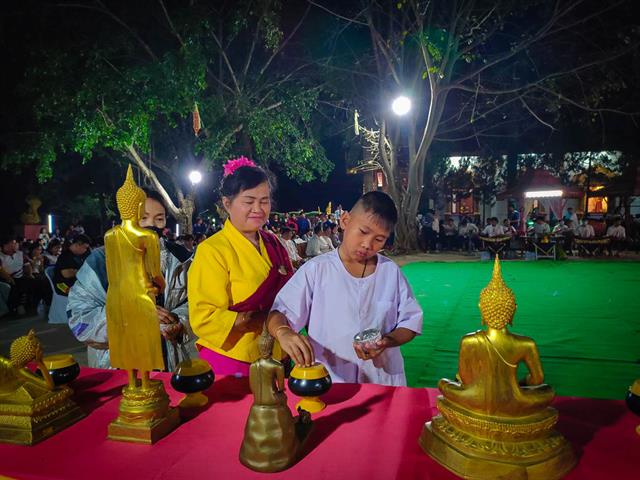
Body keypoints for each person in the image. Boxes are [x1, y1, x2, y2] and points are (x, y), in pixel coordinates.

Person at [267, 191, 423, 386]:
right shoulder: (317, 270)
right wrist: (284, 332)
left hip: (383, 379)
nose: (367, 244)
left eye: (379, 239)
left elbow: (410, 322)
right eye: (363, 232)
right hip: (331, 381)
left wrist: (387, 341)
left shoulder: (390, 272)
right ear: (345, 220)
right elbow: (278, 313)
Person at [188, 157, 293, 377]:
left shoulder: (274, 243)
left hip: (277, 353)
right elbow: (203, 317)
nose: (258, 209)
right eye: (249, 201)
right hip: (233, 358)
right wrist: (251, 319)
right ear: (227, 204)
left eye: (264, 201)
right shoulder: (212, 250)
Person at [67, 190, 191, 370]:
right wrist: (134, 315)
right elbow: (80, 319)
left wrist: (177, 323)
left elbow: (195, 304)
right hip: (118, 366)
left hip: (169, 363)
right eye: (143, 218)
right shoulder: (101, 259)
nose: (151, 225)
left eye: (159, 218)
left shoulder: (180, 257)